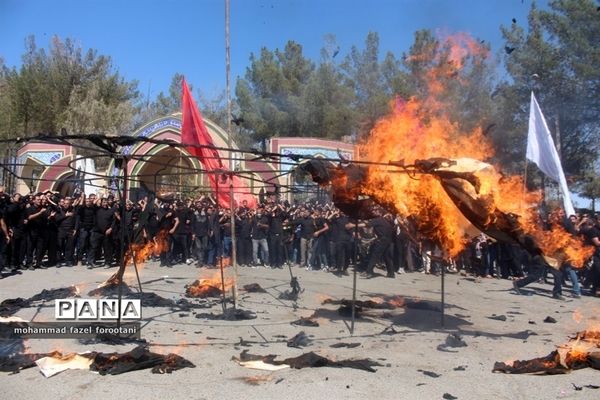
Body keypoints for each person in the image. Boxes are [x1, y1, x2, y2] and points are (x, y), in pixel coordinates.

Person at [512, 236, 564, 300]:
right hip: (541, 257)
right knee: (537, 275)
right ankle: (518, 284)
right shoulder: (546, 234)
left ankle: (557, 293)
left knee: (558, 274)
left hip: (551, 258)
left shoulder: (561, 236)